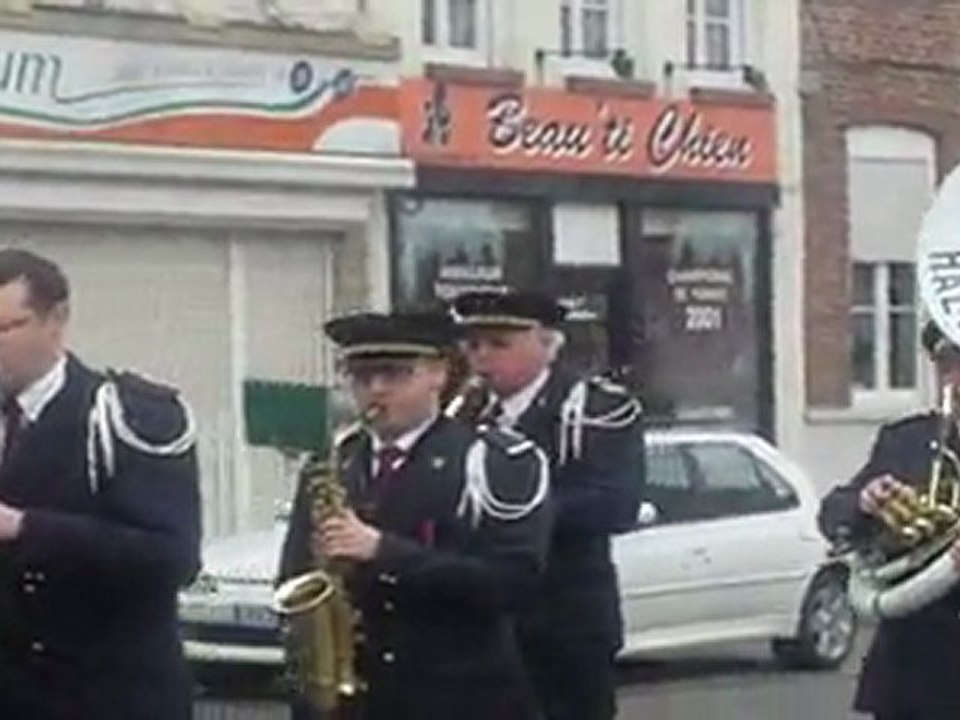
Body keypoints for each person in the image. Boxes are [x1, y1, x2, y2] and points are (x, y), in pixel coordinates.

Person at [277, 309, 552, 720]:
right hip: (353, 698)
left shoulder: (492, 461)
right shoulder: (334, 463)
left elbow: (513, 583)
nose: (376, 390)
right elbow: (295, 575)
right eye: (361, 376)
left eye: (394, 374)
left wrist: (384, 550)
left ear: (438, 374)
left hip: (455, 696)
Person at [0, 248, 201, 719]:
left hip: (108, 697)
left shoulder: (127, 415)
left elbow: (172, 558)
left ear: (57, 320)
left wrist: (26, 528)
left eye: (6, 328)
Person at [450, 289, 646, 720]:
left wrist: (510, 512)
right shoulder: (466, 412)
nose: (482, 358)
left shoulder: (596, 409)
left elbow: (615, 504)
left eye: (500, 344)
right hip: (483, 621)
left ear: (547, 344)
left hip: (564, 619)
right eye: (473, 345)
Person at [819, 319, 960, 720]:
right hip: (914, 672)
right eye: (945, 364)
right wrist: (865, 503)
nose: (953, 380)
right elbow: (833, 513)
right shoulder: (906, 441)